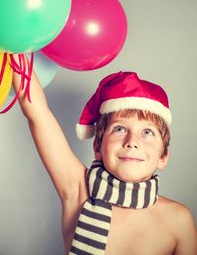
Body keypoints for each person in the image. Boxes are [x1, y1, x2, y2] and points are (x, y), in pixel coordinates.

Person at [12, 58, 197, 255]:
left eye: (147, 132)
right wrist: (14, 47)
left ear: (163, 156)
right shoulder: (77, 190)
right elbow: (38, 114)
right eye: (119, 129)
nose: (132, 141)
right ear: (98, 147)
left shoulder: (179, 220)